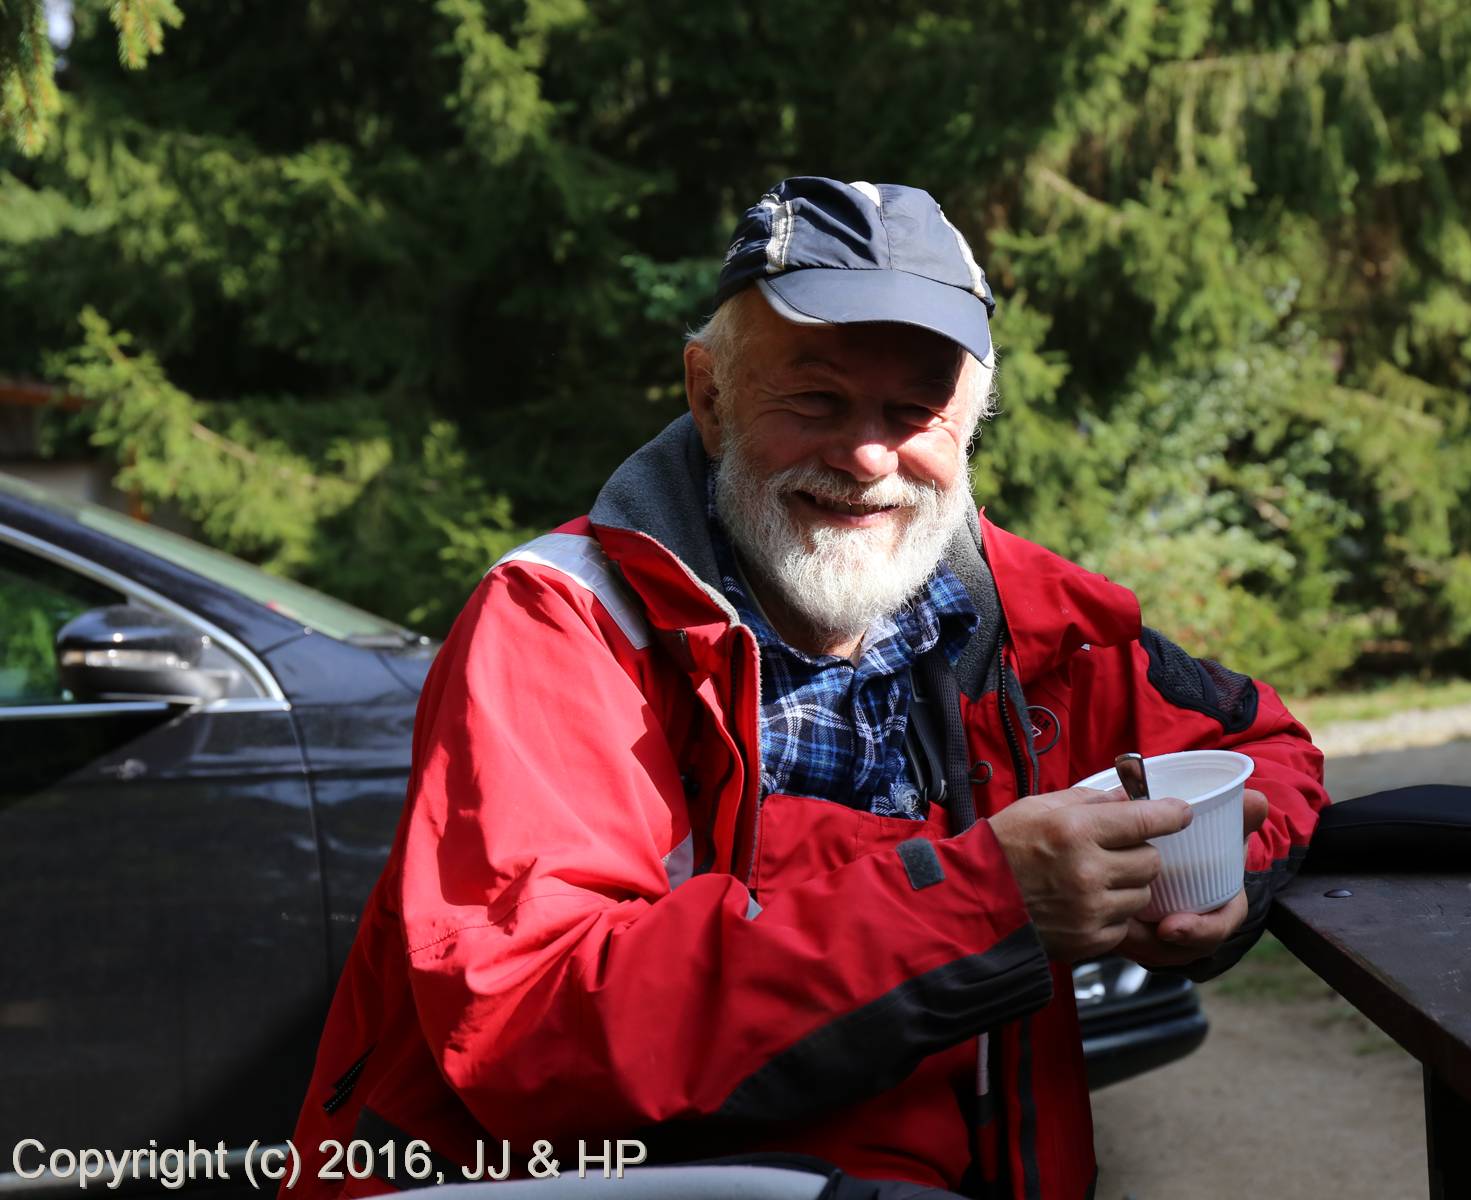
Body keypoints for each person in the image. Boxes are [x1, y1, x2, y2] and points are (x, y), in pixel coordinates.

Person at [289, 177, 1329, 1200]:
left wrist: (1207, 878)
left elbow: (1262, 752)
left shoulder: (1022, 620)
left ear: (968, 425)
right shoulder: (562, 624)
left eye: (914, 411)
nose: (869, 455)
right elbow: (528, 1024)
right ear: (709, 396)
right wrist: (983, 902)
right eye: (817, 399)